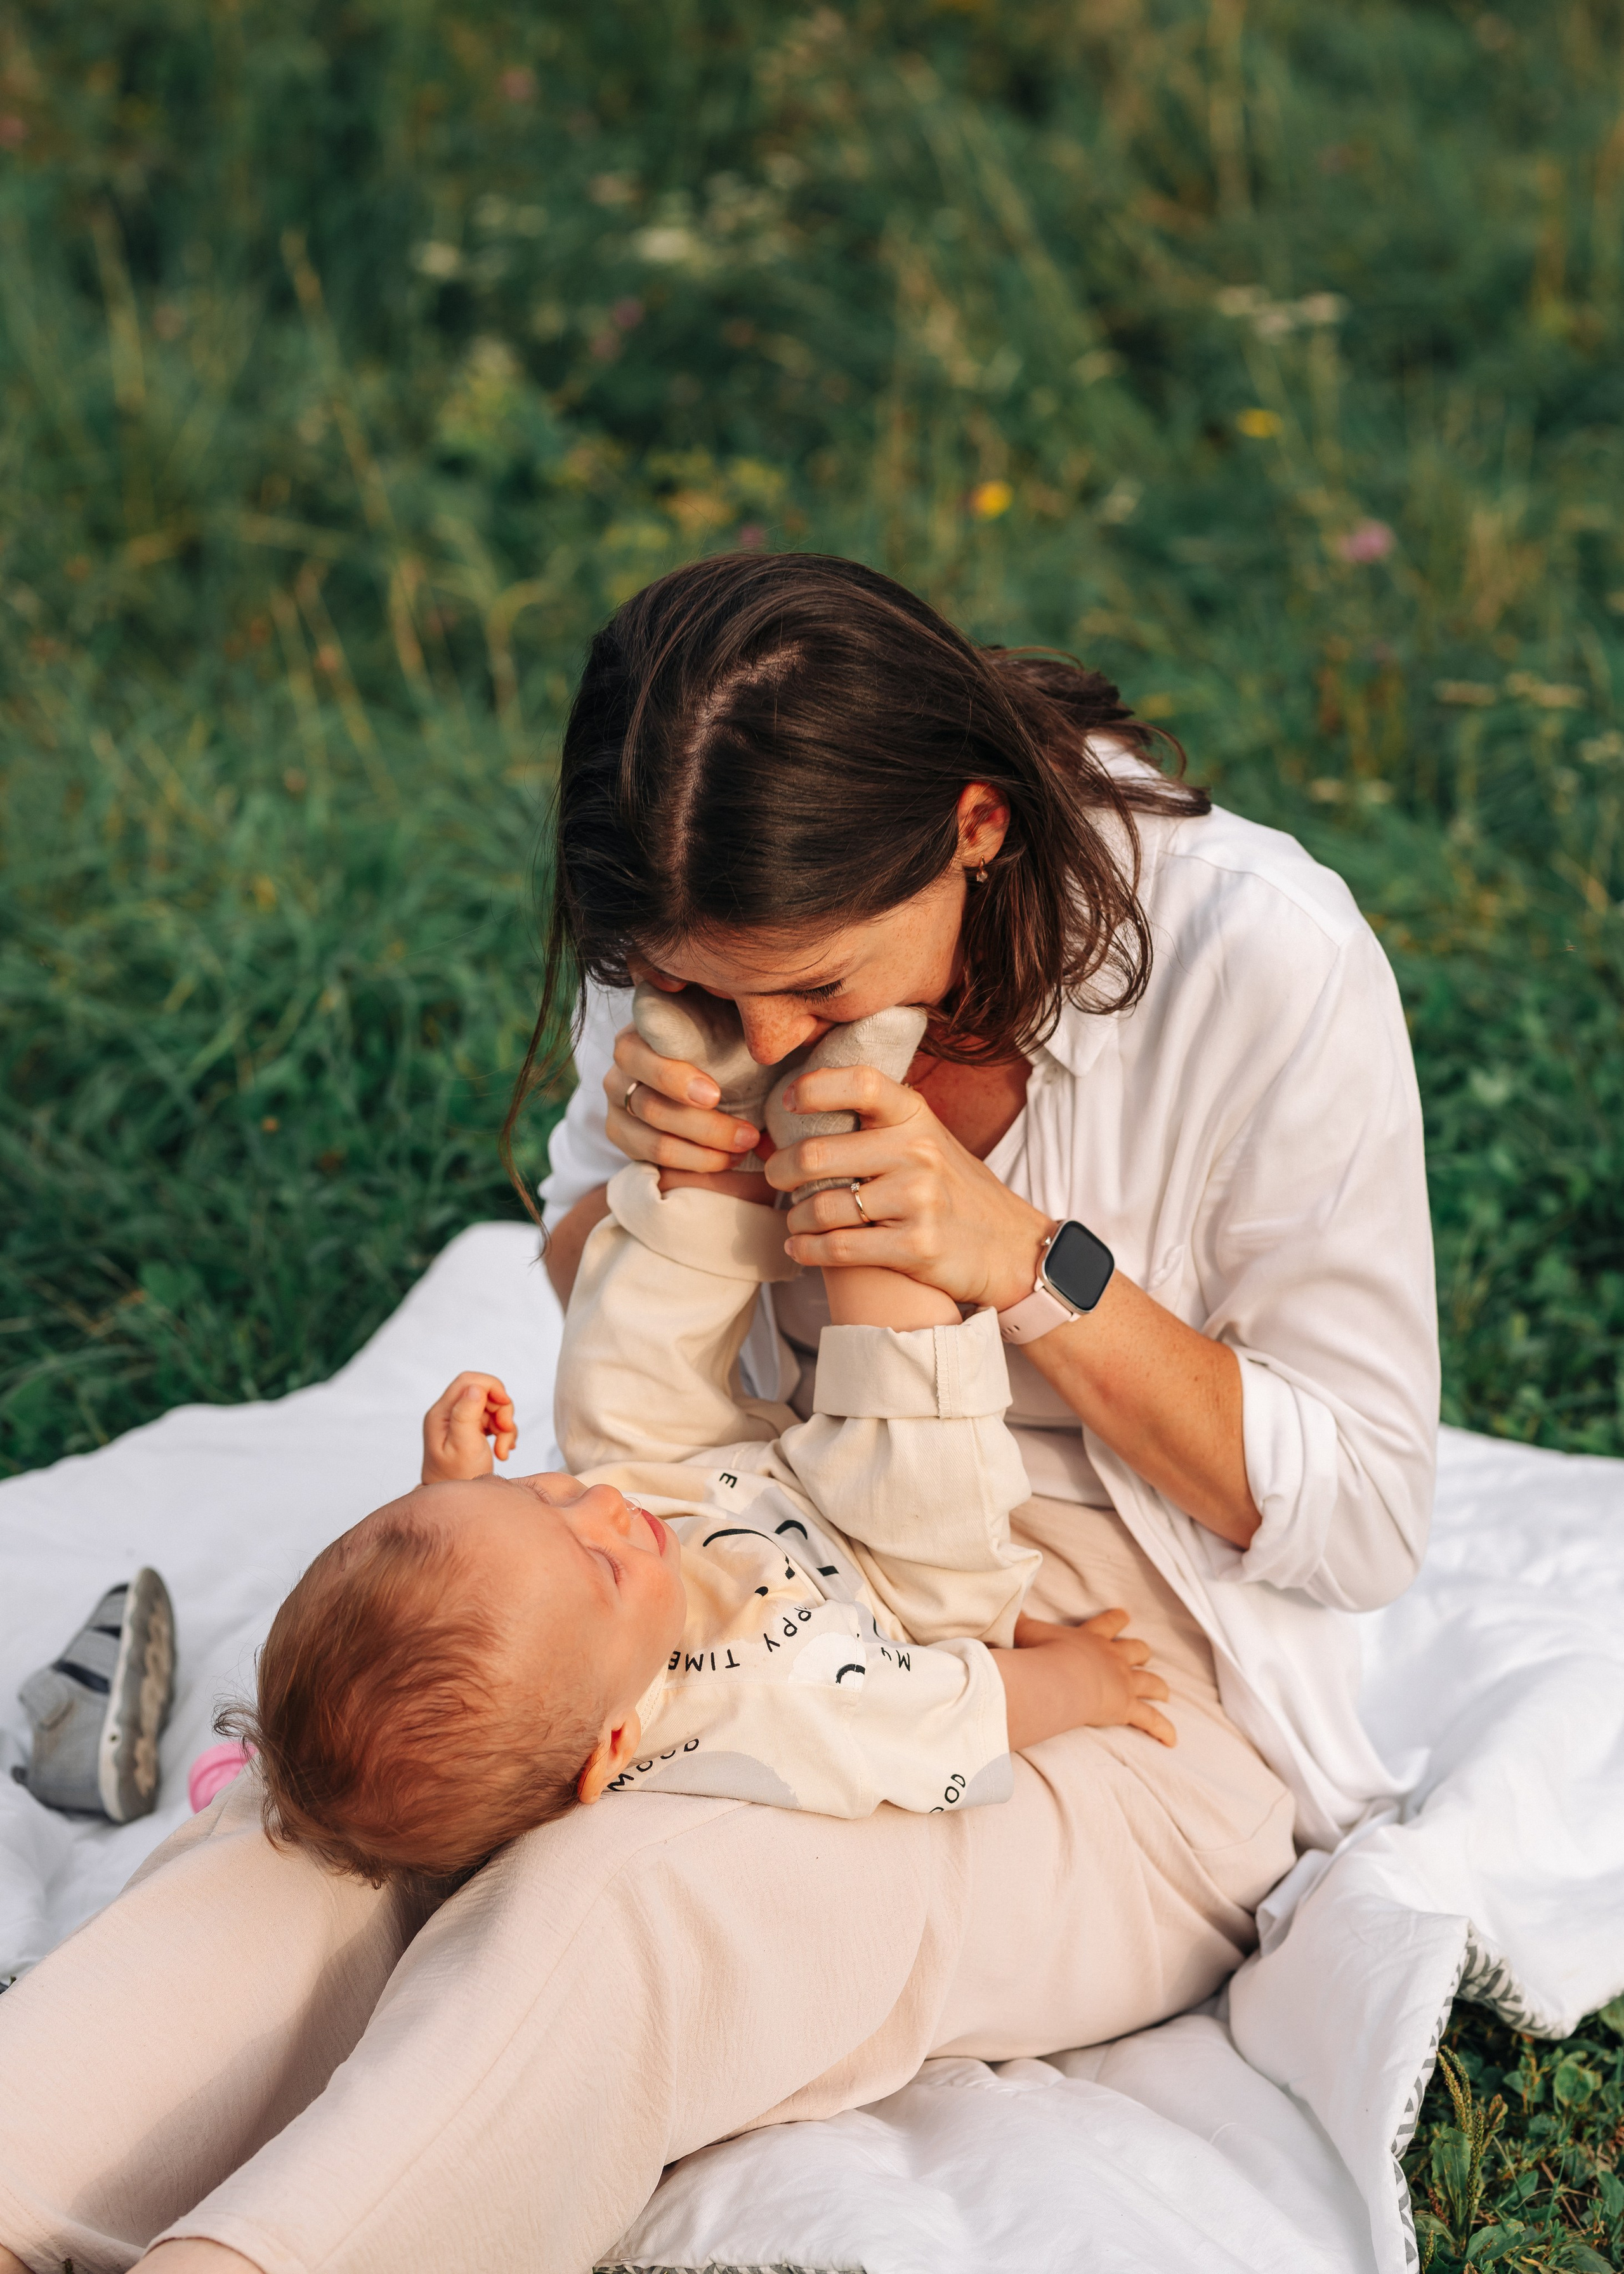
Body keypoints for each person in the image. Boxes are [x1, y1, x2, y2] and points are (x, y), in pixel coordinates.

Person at [0, 552, 1435, 2274]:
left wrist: (1022, 1262)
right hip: (743, 1523)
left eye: (818, 995)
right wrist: (670, 1190)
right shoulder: (696, 894)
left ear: (976, 828)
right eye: (698, 988)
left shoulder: (1257, 960)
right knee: (352, 1802)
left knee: (621, 1896)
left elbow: (1361, 1519)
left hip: (1115, 1669)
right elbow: (606, 1301)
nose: (765, 1036)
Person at [237, 1147, 1174, 1884]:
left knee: (607, 1393)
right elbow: (955, 1719)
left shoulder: (572, 1614)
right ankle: (861, 1173)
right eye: (600, 1564)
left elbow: (483, 1580)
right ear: (613, 1745)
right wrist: (1087, 1681)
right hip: (880, 1572)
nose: (601, 1506)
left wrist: (453, 1486)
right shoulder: (780, 1706)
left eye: (538, 1494)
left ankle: (716, 1144)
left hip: (703, 1488)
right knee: (913, 1452)